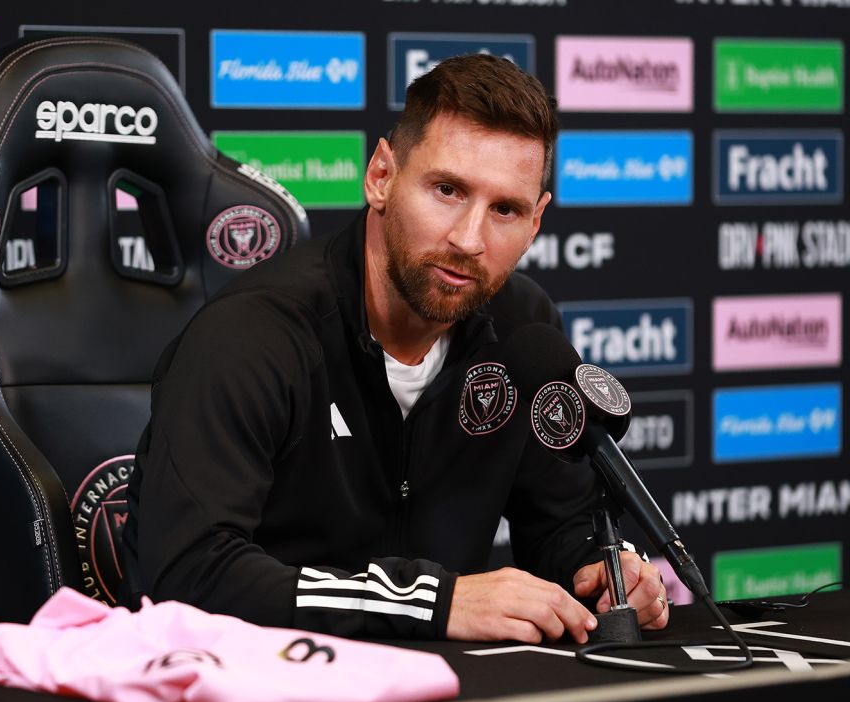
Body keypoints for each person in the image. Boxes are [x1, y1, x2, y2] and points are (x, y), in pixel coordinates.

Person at [120, 54, 668, 643]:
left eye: (504, 209)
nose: (469, 239)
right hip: (265, 687)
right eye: (447, 190)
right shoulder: (254, 334)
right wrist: (430, 602)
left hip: (445, 688)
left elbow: (561, 525)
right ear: (381, 175)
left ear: (536, 222)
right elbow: (186, 572)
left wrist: (601, 573)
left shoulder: (524, 329)